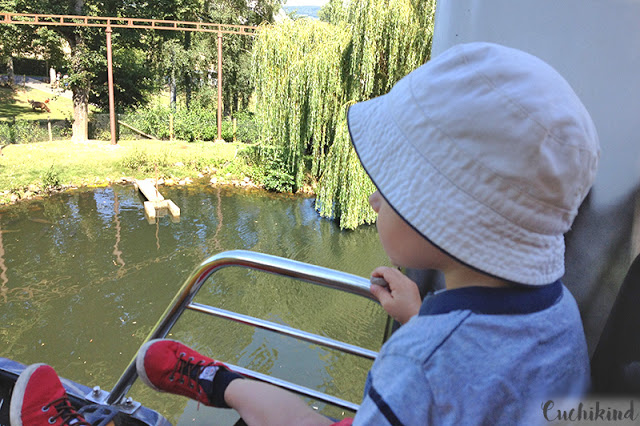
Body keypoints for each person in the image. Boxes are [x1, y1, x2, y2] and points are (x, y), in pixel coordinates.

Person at [10, 41, 599, 425]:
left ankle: (145, 404)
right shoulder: (560, 313)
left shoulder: (417, 367)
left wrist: (424, 341)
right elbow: (495, 385)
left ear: (447, 219)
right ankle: (219, 381)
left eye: (390, 186)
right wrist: (423, 318)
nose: (371, 195)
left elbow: (443, 377)